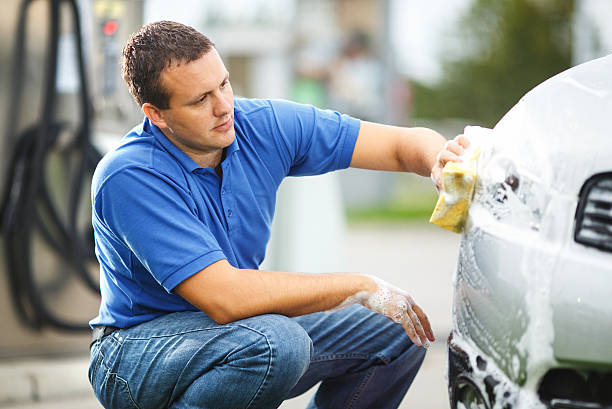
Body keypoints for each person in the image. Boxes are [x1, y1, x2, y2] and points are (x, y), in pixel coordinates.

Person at [88, 21, 468, 409]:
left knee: (399, 330)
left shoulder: (260, 126)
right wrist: (360, 285)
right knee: (278, 343)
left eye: (224, 84)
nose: (223, 107)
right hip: (137, 352)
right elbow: (225, 298)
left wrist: (440, 159)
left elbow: (400, 145)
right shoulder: (131, 175)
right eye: (200, 100)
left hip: (238, 334)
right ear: (157, 115)